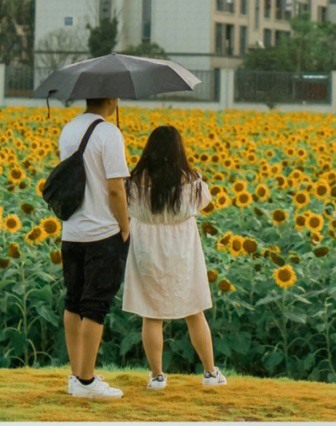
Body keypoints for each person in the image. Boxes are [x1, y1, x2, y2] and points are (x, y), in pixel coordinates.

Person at [122, 124, 226, 390]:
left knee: (151, 314)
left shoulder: (133, 180)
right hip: (182, 249)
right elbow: (205, 202)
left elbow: (124, 203)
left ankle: (157, 376)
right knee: (194, 311)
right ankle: (210, 373)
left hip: (147, 248)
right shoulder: (190, 180)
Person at [58, 97, 130, 399]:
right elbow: (116, 189)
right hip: (102, 232)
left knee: (74, 301)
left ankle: (76, 376)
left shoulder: (69, 129)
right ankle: (87, 382)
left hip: (72, 231)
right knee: (95, 306)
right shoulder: (109, 133)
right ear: (112, 99)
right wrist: (125, 226)